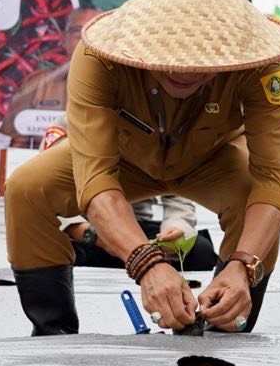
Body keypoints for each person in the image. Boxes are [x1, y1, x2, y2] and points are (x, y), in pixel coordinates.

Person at [3, 0, 280, 335]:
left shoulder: (260, 66)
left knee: (258, 204)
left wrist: (244, 264)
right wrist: (147, 263)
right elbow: (95, 178)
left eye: (202, 60)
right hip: (124, 161)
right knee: (26, 190)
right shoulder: (98, 59)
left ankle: (228, 317)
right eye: (169, 55)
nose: (183, 70)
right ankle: (53, 330)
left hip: (213, 160)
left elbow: (275, 176)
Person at [42, 112, 219, 271]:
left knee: (201, 252)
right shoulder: (70, 123)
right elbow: (48, 190)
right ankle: (141, 260)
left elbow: (178, 194)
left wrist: (174, 231)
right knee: (50, 250)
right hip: (86, 229)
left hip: (135, 227)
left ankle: (143, 258)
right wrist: (91, 234)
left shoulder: (159, 128)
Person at [0, 6, 103, 147]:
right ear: (63, 39)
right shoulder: (36, 84)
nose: (84, 37)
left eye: (95, 30)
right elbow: (15, 145)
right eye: (76, 30)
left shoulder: (126, 85)